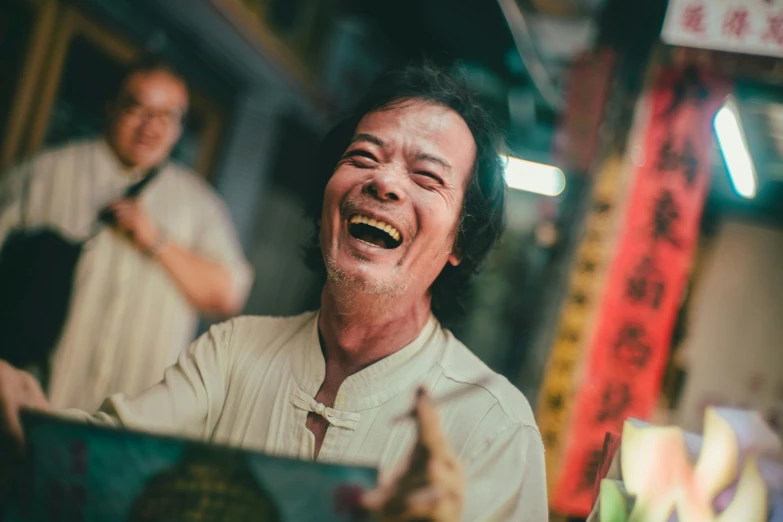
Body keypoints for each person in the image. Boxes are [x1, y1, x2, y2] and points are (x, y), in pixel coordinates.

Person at [0, 63, 547, 521]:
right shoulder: (233, 352)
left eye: (427, 177)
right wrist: (27, 421)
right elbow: (99, 463)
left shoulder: (496, 427)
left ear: (460, 241)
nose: (385, 182)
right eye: (363, 156)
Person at [0, 59, 253, 412]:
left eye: (167, 115)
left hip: (136, 421)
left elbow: (228, 295)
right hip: (37, 405)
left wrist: (157, 241)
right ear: (111, 107)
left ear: (179, 127)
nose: (150, 126)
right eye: (137, 107)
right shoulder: (46, 173)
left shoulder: (199, 204)